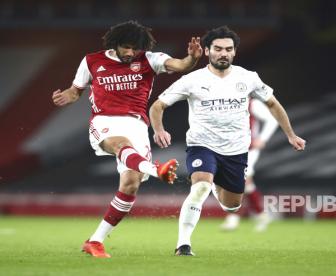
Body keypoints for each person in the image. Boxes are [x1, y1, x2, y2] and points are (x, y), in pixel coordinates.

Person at [150, 26, 306, 256]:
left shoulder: (248, 78)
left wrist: (291, 134)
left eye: (228, 49)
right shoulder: (192, 80)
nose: (223, 53)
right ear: (207, 51)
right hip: (202, 145)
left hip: (236, 150)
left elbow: (273, 104)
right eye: (218, 49)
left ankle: (215, 181)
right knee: (200, 187)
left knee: (232, 205)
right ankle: (183, 244)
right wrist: (159, 130)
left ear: (234, 52)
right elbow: (157, 106)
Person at [51, 20, 202, 258]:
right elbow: (76, 90)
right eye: (126, 47)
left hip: (137, 125)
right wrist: (66, 97)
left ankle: (95, 241)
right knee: (121, 145)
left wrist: (192, 58)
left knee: (131, 184)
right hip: (105, 121)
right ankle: (156, 169)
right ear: (115, 44)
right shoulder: (92, 61)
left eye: (135, 48)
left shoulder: (150, 59)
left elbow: (180, 65)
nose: (131, 53)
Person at [220, 98, 278, 232]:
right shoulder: (225, 102)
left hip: (249, 149)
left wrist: (262, 139)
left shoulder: (252, 103)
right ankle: (261, 214)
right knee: (244, 183)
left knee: (241, 180)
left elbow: (272, 119)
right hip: (230, 148)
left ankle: (233, 218)